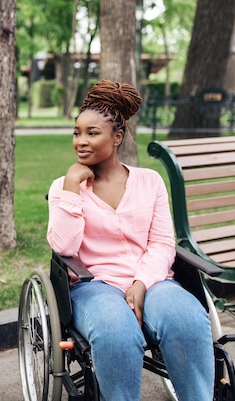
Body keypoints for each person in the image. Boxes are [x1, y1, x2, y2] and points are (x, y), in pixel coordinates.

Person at [46, 80, 214, 401]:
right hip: (94, 285)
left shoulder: (150, 182)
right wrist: (71, 188)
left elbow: (164, 243)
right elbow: (64, 248)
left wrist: (141, 282)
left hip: (153, 281)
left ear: (117, 137)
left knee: (187, 319)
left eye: (92, 133)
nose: (81, 141)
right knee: (117, 333)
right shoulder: (63, 187)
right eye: (76, 132)